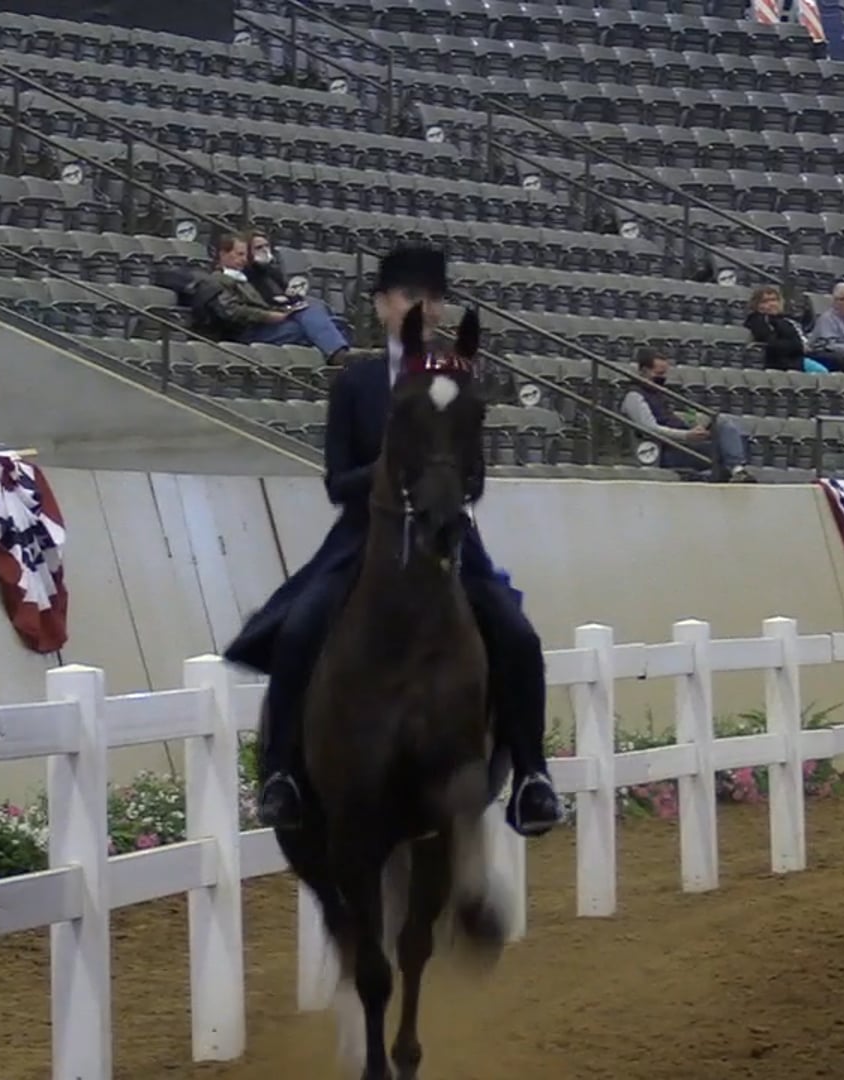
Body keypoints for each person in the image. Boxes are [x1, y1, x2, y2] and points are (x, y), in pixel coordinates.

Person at [223, 244, 563, 838]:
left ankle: (532, 776)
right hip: (365, 534)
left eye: (431, 298)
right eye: (409, 296)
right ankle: (280, 774)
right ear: (382, 306)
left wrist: (445, 487)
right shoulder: (355, 382)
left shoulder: (456, 376)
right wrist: (391, 471)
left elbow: (476, 474)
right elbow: (336, 481)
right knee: (301, 626)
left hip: (445, 534)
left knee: (515, 634)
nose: (422, 307)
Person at [201, 230, 348, 360]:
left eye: (246, 255)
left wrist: (281, 312)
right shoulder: (217, 279)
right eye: (239, 254)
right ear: (223, 254)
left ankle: (339, 355)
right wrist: (269, 316)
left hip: (264, 327)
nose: (244, 259)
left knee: (325, 322)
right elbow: (230, 311)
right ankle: (339, 355)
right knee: (317, 327)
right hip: (246, 333)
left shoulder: (243, 278)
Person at [620, 351, 756, 482]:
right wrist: (686, 435)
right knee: (727, 451)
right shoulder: (634, 396)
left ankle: (734, 471)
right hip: (666, 451)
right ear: (644, 371)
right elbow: (650, 429)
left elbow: (675, 418)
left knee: (724, 427)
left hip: (682, 444)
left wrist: (700, 423)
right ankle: (731, 471)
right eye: (659, 374)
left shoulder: (658, 394)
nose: (663, 378)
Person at [743, 284, 829, 373]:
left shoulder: (786, 319)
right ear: (756, 305)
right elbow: (773, 343)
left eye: (774, 300)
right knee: (821, 371)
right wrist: (796, 345)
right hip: (784, 361)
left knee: (838, 361)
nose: (771, 304)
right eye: (765, 302)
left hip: (802, 355)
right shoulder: (759, 320)